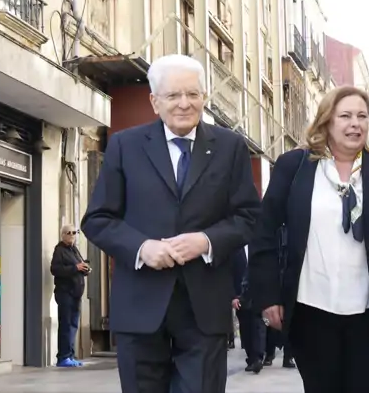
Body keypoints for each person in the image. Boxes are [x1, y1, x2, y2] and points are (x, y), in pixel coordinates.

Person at [81, 54, 261, 393]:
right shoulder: (125, 145)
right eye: (173, 95)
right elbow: (97, 219)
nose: (184, 104)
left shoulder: (229, 147)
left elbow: (249, 216)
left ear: (204, 97)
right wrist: (141, 248)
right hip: (140, 305)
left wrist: (206, 241)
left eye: (193, 94)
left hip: (204, 309)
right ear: (154, 101)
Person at [249, 86, 369, 393]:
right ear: (327, 121)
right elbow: (264, 232)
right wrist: (268, 296)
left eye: (362, 116)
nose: (356, 123)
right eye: (346, 116)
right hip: (311, 309)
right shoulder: (295, 166)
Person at [50, 224, 90, 367]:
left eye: (75, 233)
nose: (72, 235)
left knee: (73, 325)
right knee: (66, 324)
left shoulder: (74, 250)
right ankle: (63, 357)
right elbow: (55, 269)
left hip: (76, 294)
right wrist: (75, 267)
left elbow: (80, 266)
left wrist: (85, 268)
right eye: (69, 233)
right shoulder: (59, 250)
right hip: (65, 293)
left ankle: (70, 355)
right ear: (63, 235)